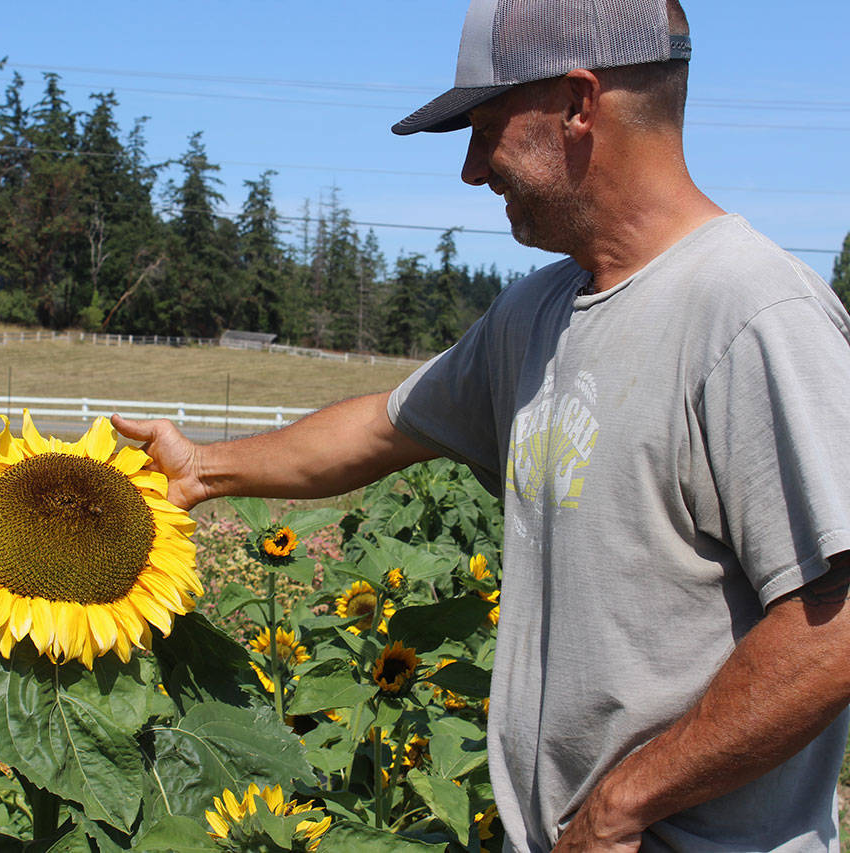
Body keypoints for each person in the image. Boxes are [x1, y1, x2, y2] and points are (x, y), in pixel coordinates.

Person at [112, 0, 850, 849]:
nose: (471, 168)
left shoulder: (752, 311)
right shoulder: (536, 314)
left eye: (485, 125)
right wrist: (202, 466)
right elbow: (382, 428)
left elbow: (834, 626)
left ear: (579, 105)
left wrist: (624, 804)